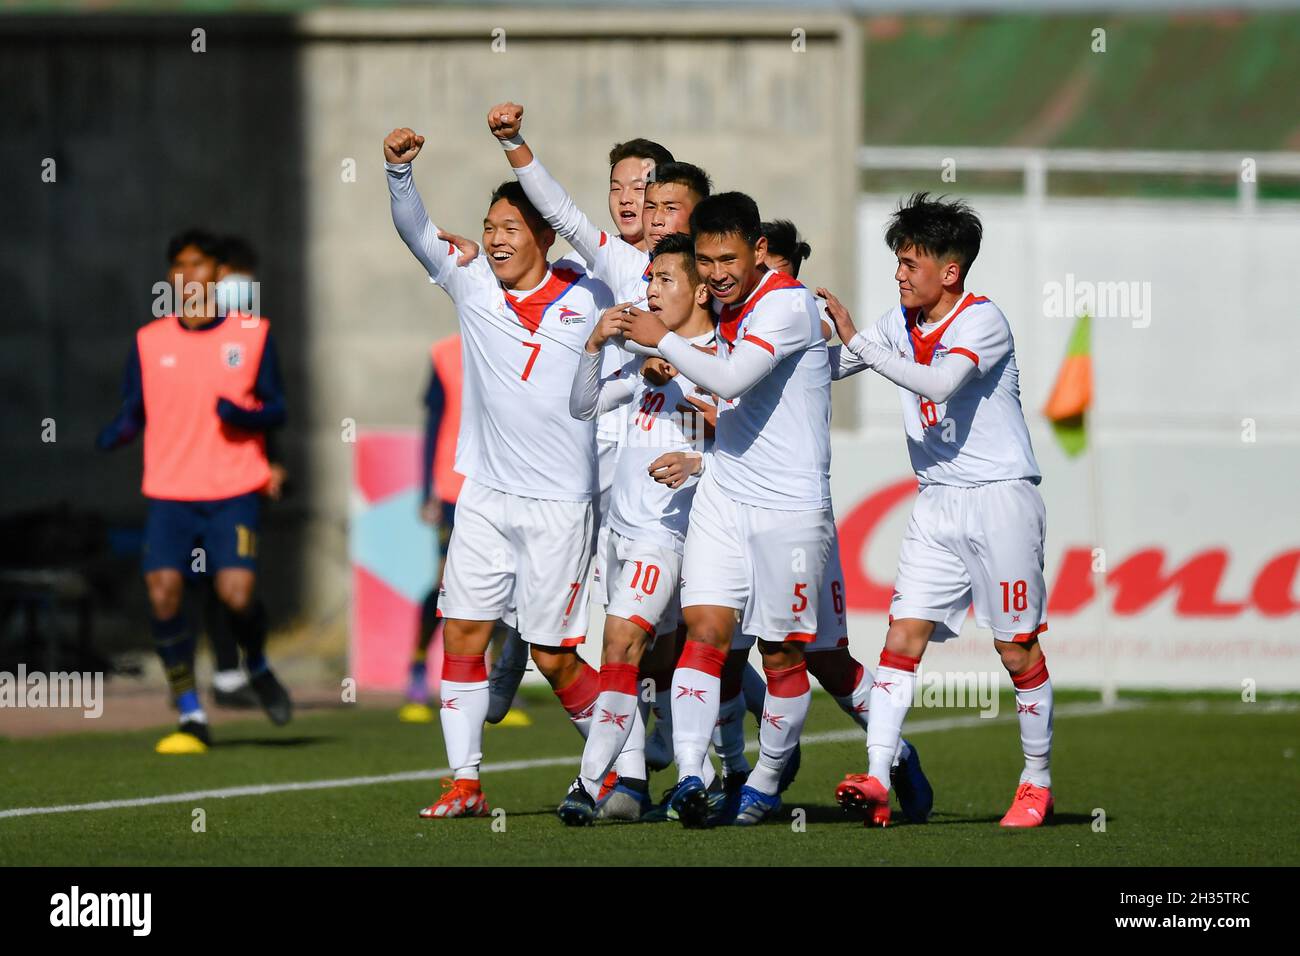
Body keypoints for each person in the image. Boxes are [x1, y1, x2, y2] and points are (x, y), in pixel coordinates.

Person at [385, 126, 615, 818]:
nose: (494, 239)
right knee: (462, 631)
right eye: (488, 227)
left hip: (559, 503)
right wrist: (398, 173)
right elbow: (414, 229)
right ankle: (466, 781)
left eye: (510, 227)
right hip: (482, 494)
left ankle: (623, 760)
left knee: (555, 657)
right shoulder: (471, 282)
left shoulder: (592, 293)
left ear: (543, 236)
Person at [822, 192, 1052, 828]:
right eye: (897, 261)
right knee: (901, 639)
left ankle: (1036, 781)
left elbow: (940, 383)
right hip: (937, 503)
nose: (899, 273)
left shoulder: (983, 320)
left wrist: (858, 342)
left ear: (949, 271)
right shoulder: (899, 322)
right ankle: (875, 774)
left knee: (1016, 652)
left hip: (1000, 498)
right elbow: (838, 363)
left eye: (909, 262)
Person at [616, 192, 835, 827]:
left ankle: (766, 783)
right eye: (706, 261)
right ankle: (690, 774)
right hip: (723, 494)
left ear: (759, 251)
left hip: (790, 509)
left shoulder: (789, 303)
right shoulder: (732, 311)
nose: (715, 273)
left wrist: (661, 341)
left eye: (728, 259)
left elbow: (733, 379)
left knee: (784, 656)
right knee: (704, 635)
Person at [97, 228, 292, 753]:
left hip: (234, 489)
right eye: (179, 266)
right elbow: (133, 408)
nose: (189, 275)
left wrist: (245, 415)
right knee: (163, 591)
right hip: (170, 493)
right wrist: (117, 431)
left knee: (236, 593)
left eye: (199, 265)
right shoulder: (149, 341)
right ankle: (189, 711)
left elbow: (277, 407)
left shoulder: (252, 334)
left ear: (219, 274)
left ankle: (257, 663)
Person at [557, 234, 716, 824]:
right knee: (658, 663)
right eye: (648, 280)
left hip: (665, 534)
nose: (649, 290)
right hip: (619, 534)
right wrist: (597, 345)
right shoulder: (646, 358)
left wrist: (700, 459)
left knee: (620, 645)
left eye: (664, 281)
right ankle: (688, 778)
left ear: (700, 290)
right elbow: (583, 405)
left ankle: (587, 783)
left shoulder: (725, 358)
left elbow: (758, 445)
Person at [400, 334, 528, 727]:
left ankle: (495, 682)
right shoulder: (444, 352)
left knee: (508, 585)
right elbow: (434, 423)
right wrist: (427, 489)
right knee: (446, 583)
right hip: (455, 488)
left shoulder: (519, 344)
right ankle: (418, 667)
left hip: (508, 485)